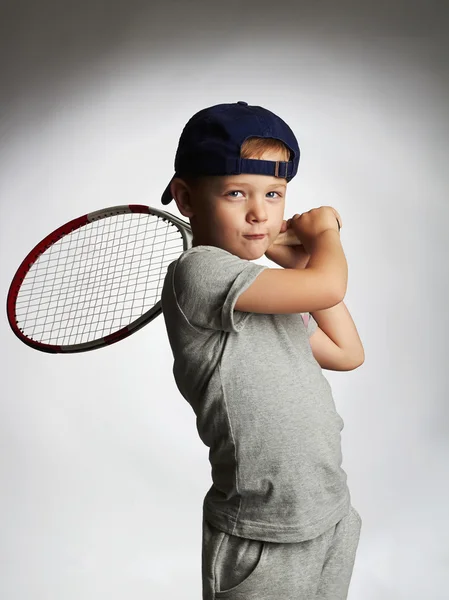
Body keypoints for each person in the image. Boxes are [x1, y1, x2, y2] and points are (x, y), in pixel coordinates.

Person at [160, 101, 363, 599]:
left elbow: (346, 351)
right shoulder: (200, 273)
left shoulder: (270, 293)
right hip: (262, 532)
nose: (260, 213)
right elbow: (328, 287)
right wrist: (324, 236)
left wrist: (298, 265)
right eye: (236, 193)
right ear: (187, 198)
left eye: (274, 194)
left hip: (329, 511)